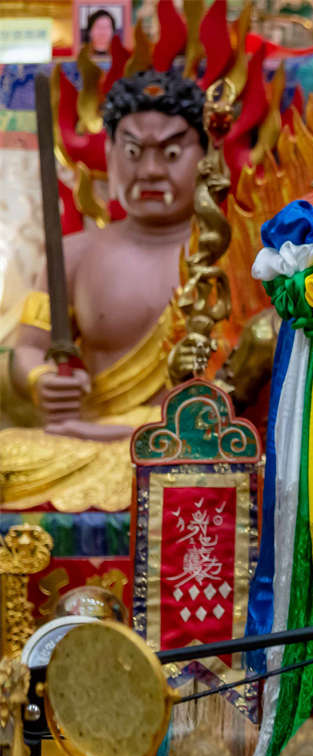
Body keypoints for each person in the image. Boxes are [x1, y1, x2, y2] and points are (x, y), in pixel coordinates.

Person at [0, 70, 205, 512]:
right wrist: (40, 380)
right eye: (132, 152)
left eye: (171, 153)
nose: (150, 170)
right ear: (109, 154)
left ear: (206, 156)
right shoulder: (74, 255)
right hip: (90, 438)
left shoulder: (230, 255)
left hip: (195, 444)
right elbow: (27, 350)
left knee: (237, 464)